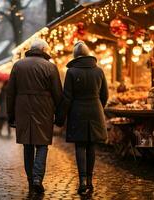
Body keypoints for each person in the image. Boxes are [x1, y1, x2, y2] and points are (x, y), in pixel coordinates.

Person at [7, 39, 62, 193]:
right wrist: (60, 116)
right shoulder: (50, 67)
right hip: (44, 109)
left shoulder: (18, 66)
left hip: (22, 109)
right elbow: (58, 94)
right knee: (42, 144)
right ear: (44, 50)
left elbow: (10, 93)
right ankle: (37, 178)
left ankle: (31, 181)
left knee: (27, 145)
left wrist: (11, 115)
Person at [55, 41, 109, 194]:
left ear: (75, 56)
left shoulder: (71, 72)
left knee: (80, 146)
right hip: (95, 110)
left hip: (77, 111)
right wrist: (98, 107)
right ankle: (90, 180)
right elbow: (105, 95)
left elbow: (67, 97)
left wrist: (60, 118)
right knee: (92, 146)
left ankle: (83, 180)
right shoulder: (99, 71)